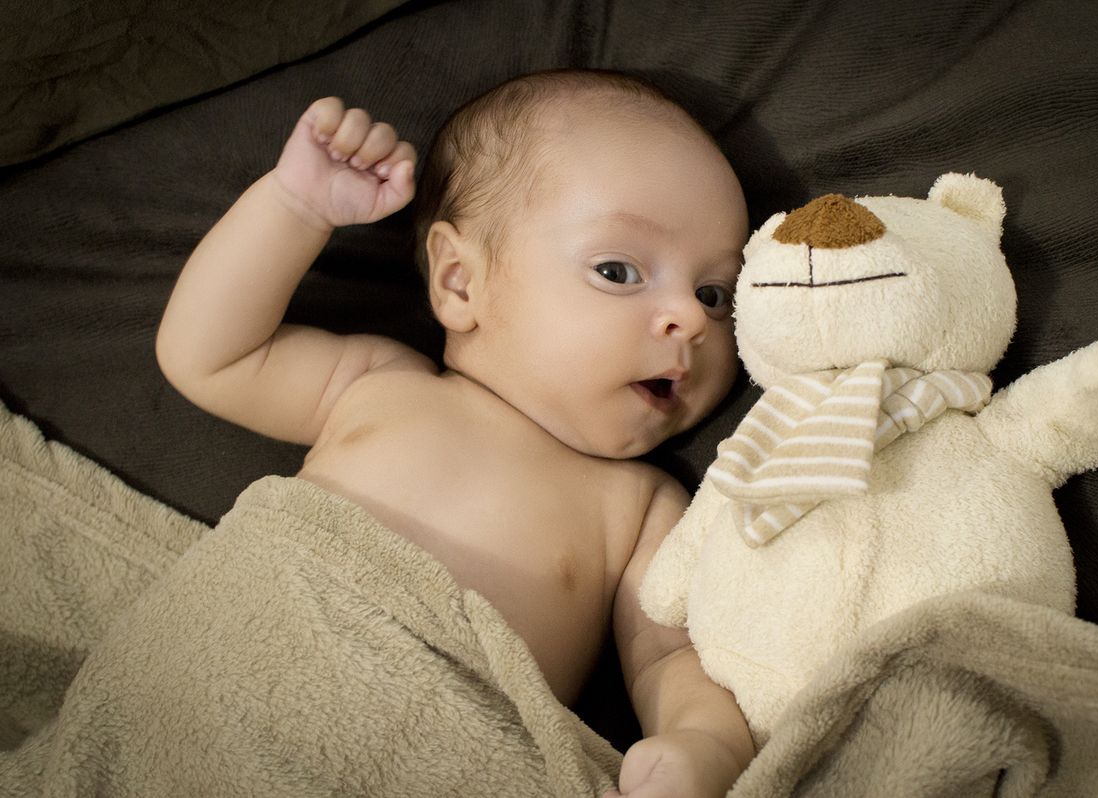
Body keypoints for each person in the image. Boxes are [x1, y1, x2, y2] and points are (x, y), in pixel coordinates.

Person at [156, 69, 754, 797]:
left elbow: (670, 660)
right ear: (460, 283)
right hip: (224, 688)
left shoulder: (639, 507)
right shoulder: (378, 385)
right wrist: (293, 206)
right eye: (619, 270)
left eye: (714, 293)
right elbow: (209, 354)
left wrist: (704, 747)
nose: (689, 320)